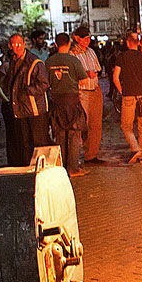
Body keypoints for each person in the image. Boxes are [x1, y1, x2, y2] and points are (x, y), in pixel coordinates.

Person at [2, 33, 50, 166]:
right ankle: (28, 170)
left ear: (24, 44)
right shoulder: (13, 61)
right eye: (13, 44)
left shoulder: (34, 62)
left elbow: (44, 83)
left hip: (34, 110)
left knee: (38, 143)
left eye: (19, 44)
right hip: (21, 110)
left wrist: (28, 92)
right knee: (24, 144)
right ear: (10, 45)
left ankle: (41, 171)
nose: (16, 47)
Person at [46, 33, 90, 176]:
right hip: (72, 102)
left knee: (59, 136)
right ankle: (73, 168)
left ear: (56, 44)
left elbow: (46, 82)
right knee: (74, 135)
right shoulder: (73, 61)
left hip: (56, 102)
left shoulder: (49, 62)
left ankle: (63, 168)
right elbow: (83, 80)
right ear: (69, 43)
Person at [112, 31, 142, 163]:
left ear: (127, 43)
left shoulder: (122, 57)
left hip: (129, 95)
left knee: (126, 126)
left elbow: (115, 78)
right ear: (138, 44)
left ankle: (135, 149)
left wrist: (121, 91)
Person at [69, 25, 105, 164]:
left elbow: (97, 68)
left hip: (94, 89)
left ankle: (91, 155)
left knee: (96, 125)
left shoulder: (91, 51)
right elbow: (73, 74)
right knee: (82, 124)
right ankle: (76, 156)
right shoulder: (72, 54)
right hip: (82, 91)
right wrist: (86, 74)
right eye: (84, 38)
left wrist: (94, 75)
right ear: (77, 38)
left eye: (88, 38)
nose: (86, 40)